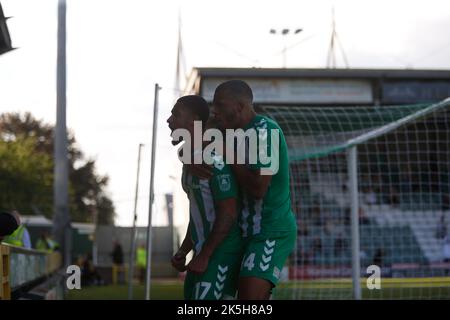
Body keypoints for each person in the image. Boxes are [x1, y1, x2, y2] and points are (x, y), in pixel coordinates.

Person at [190, 80, 297, 299]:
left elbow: (258, 188)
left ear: (239, 107)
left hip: (270, 231)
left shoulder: (266, 132)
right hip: (241, 232)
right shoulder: (228, 130)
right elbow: (193, 137)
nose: (215, 111)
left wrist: (226, 152)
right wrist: (191, 157)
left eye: (220, 105)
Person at [167, 95, 243, 300]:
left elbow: (228, 212)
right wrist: (184, 250)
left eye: (176, 114)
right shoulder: (190, 161)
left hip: (222, 253)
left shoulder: (213, 159)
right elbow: (201, 214)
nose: (169, 120)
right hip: (202, 254)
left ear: (193, 121)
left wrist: (206, 255)